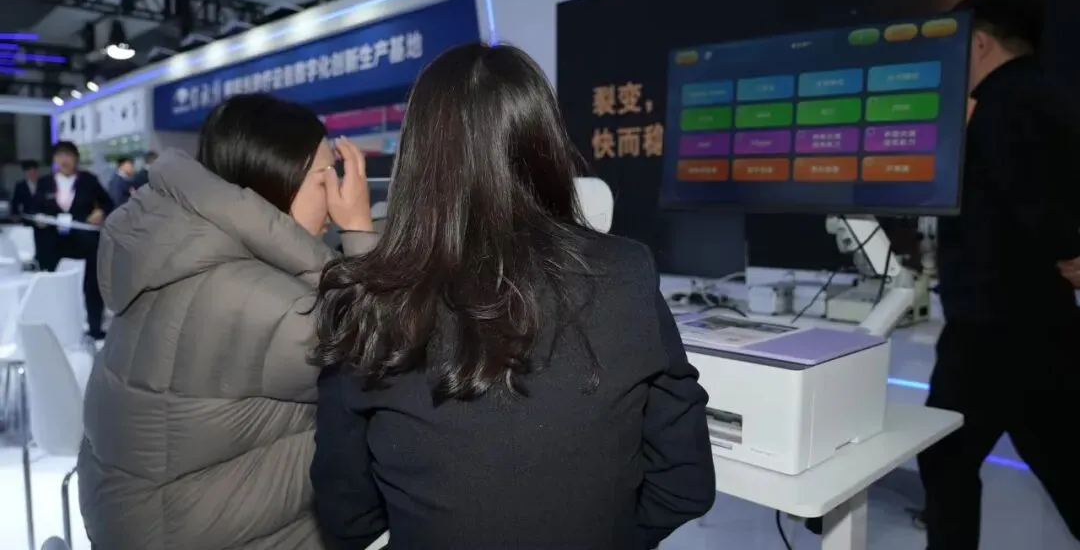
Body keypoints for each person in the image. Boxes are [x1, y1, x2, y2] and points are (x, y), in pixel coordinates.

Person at [310, 42, 716, 550]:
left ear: (416, 158)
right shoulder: (625, 272)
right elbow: (684, 483)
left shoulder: (367, 297)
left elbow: (348, 514)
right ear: (546, 144)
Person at [77, 94, 378, 550]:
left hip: (135, 526)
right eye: (325, 177)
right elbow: (383, 355)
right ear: (277, 180)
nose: (337, 194)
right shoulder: (267, 302)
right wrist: (359, 230)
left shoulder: (172, 252)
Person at [920, 0, 1080, 550]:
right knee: (1058, 457)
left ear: (980, 42)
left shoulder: (1004, 107)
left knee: (946, 457)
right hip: (1035, 321)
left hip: (994, 326)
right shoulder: (1049, 95)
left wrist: (1069, 250)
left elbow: (1035, 203)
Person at [33, 141, 113, 340]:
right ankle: (54, 329)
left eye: (68, 155)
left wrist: (100, 212)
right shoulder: (45, 183)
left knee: (92, 286)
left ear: (76, 159)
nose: (64, 160)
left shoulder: (88, 180)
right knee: (53, 286)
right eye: (59, 156)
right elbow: (34, 209)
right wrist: (39, 219)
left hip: (84, 242)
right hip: (53, 243)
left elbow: (108, 203)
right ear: (54, 159)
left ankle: (95, 327)